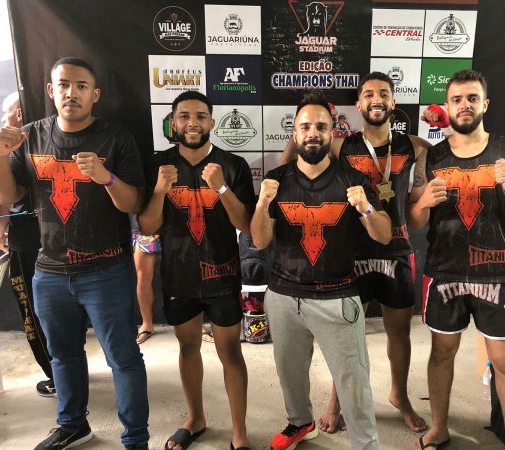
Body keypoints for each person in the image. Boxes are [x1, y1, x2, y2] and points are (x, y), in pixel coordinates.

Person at [0, 57, 149, 450]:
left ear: (95, 95)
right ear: (50, 90)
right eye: (63, 85)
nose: (71, 93)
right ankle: (73, 424)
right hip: (50, 271)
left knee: (123, 358)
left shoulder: (116, 138)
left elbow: (133, 204)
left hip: (107, 268)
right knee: (62, 357)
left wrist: (106, 177)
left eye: (81, 86)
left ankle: (136, 439)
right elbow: (8, 196)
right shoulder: (30, 137)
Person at [280, 72, 433, 434]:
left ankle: (400, 396)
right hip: (352, 253)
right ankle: (336, 404)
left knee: (400, 333)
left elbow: (418, 209)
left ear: (393, 102)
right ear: (359, 104)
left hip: (397, 250)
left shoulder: (417, 146)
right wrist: (307, 124)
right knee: (347, 338)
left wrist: (425, 199)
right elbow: (290, 164)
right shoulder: (340, 145)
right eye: (368, 94)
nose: (376, 99)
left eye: (384, 93)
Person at [408, 69, 505, 450]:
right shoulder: (430, 157)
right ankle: (439, 428)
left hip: (498, 273)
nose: (464, 105)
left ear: (485, 104)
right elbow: (414, 220)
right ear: (447, 106)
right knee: (441, 354)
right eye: (456, 99)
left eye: (472, 98)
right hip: (444, 271)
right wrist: (424, 201)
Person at [252, 92, 392, 450]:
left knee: (353, 381)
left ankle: (366, 445)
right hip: (283, 296)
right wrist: (263, 204)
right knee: (289, 373)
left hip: (336, 297)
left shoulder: (353, 179)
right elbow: (260, 240)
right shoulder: (276, 179)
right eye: (305, 127)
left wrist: (365, 208)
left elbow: (384, 235)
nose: (312, 133)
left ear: (333, 132)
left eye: (320, 126)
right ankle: (301, 423)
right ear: (295, 133)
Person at [138, 91, 254, 450]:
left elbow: (245, 224)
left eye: (201, 116)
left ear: (212, 123)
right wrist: (160, 190)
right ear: (173, 123)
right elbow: (147, 227)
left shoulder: (233, 165)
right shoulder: (158, 165)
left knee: (230, 352)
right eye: (185, 116)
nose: (193, 123)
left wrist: (221, 187)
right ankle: (196, 418)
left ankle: (239, 432)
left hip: (222, 274)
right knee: (188, 347)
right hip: (180, 276)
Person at [0, 92, 55, 397]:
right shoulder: (41, 137)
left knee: (35, 313)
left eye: (7, 114)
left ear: (18, 112)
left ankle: (58, 377)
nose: (4, 120)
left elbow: (1, 196)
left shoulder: (25, 140)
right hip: (49, 238)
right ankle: (67, 370)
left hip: (31, 241)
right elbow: (1, 192)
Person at [130, 214, 161, 344]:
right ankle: (147, 324)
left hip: (178, 227)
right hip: (143, 229)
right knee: (143, 278)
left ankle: (196, 325)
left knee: (186, 274)